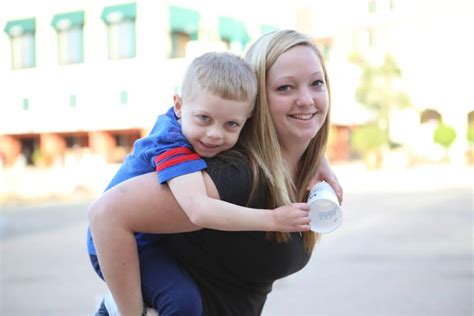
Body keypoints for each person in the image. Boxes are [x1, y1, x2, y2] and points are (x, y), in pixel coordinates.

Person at [88, 29, 343, 315]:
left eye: (316, 83)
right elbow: (106, 214)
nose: (307, 100)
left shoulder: (295, 168)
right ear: (256, 101)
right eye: (285, 87)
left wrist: (316, 157)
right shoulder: (236, 174)